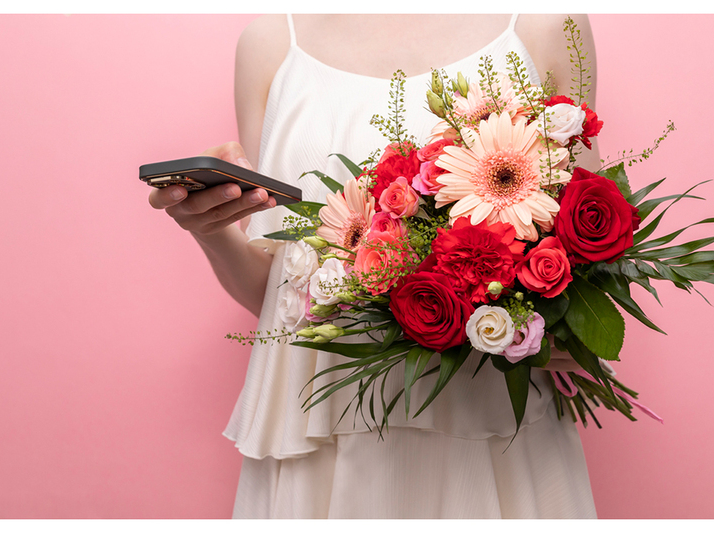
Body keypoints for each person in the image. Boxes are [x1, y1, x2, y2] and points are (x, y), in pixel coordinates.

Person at [149, 14, 599, 518]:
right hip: (320, 427)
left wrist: (560, 328)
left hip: (489, 420)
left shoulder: (542, 23)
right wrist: (210, 229)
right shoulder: (271, 43)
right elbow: (280, 297)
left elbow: (590, 240)